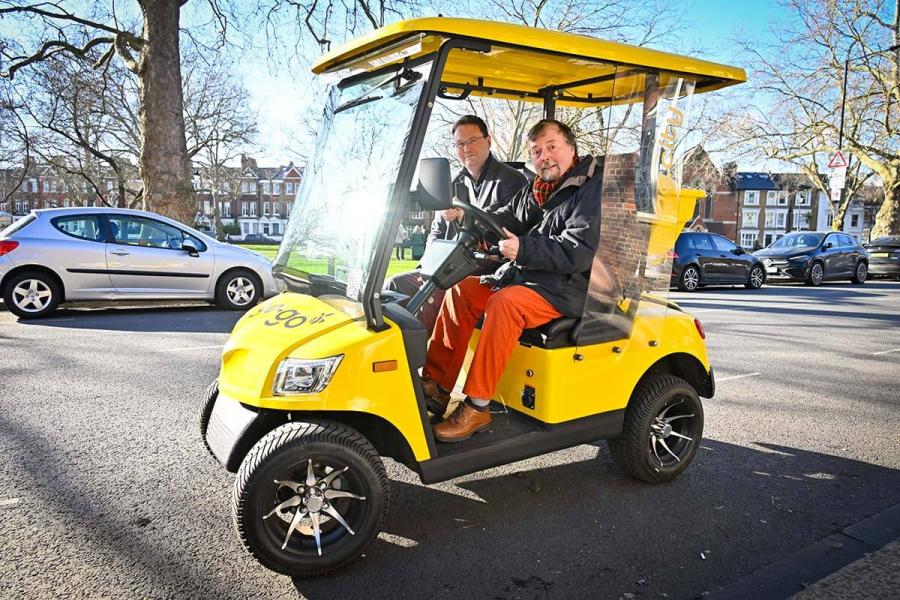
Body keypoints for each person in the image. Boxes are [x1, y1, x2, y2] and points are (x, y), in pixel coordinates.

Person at [421, 119, 602, 442]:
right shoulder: (539, 189)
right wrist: (471, 222)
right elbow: (505, 217)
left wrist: (523, 249)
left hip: (568, 287)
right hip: (530, 278)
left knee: (505, 303)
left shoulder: (590, 190)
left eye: (551, 147)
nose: (544, 156)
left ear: (571, 148)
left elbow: (577, 252)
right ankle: (437, 385)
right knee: (462, 290)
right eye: (536, 151)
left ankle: (477, 406)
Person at [386, 115, 528, 332]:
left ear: (488, 141)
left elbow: (509, 230)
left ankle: (422, 361)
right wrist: (426, 266)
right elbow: (435, 233)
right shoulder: (454, 184)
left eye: (472, 141)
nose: (466, 148)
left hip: (489, 267)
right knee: (394, 286)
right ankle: (394, 355)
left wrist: (465, 216)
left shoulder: (511, 181)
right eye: (460, 144)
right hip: (451, 265)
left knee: (432, 293)